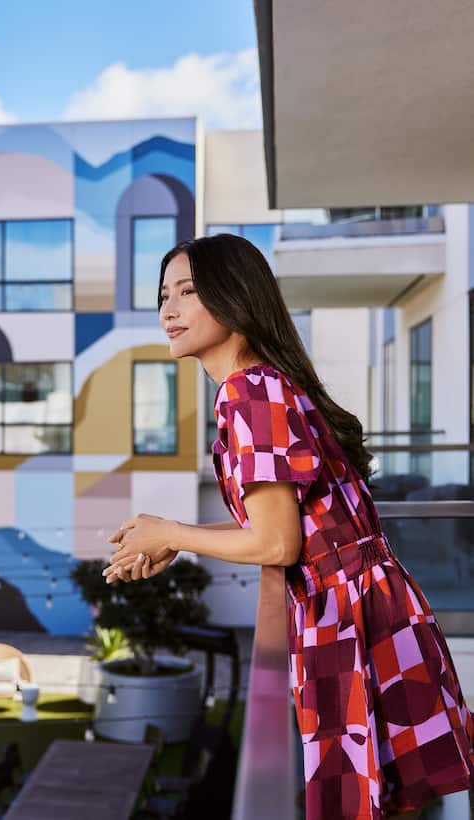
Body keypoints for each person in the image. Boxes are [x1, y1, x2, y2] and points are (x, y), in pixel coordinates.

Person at [102, 234, 474, 819]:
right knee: (390, 799)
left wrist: (171, 532)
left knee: (368, 801)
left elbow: (278, 542)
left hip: (349, 619)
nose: (167, 310)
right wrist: (172, 538)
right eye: (163, 294)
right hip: (366, 608)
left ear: (234, 298)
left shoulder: (248, 394)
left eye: (188, 292)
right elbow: (287, 521)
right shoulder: (264, 385)